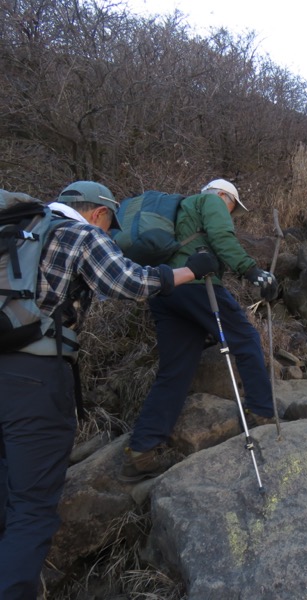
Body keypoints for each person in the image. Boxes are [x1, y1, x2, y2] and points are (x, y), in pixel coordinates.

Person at [0, 181, 217, 599]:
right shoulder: (79, 234)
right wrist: (193, 268)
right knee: (31, 507)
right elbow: (129, 282)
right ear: (99, 213)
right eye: (110, 224)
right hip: (35, 378)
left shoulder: (14, 228)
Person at [120, 178, 279, 482]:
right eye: (232, 206)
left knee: (175, 371)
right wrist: (252, 272)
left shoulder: (179, 209)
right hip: (197, 287)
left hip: (166, 289)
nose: (230, 213)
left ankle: (140, 452)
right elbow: (221, 237)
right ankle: (262, 412)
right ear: (223, 195)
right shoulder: (210, 202)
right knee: (245, 338)